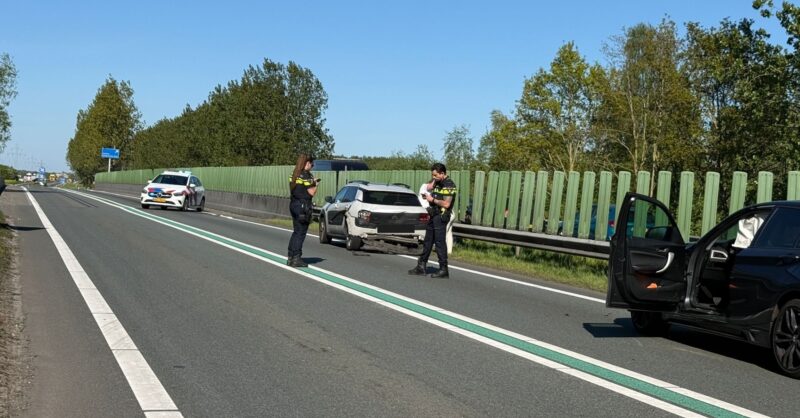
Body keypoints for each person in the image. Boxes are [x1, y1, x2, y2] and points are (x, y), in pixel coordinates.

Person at [409, 163, 457, 278]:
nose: (433, 177)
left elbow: (446, 203)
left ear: (443, 173)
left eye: (436, 175)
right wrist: (432, 185)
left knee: (440, 243)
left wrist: (432, 199)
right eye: (432, 175)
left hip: (441, 216)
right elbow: (429, 187)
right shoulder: (438, 182)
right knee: (428, 241)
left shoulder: (448, 185)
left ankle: (443, 269)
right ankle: (421, 266)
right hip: (433, 215)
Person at [287, 154, 319, 268]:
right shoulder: (306, 175)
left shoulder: (294, 174)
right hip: (303, 206)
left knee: (296, 231)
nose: (312, 166)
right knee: (301, 232)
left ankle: (290, 256)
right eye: (311, 163)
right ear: (307, 163)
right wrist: (316, 184)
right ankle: (296, 258)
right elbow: (311, 192)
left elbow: (297, 189)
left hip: (294, 204)